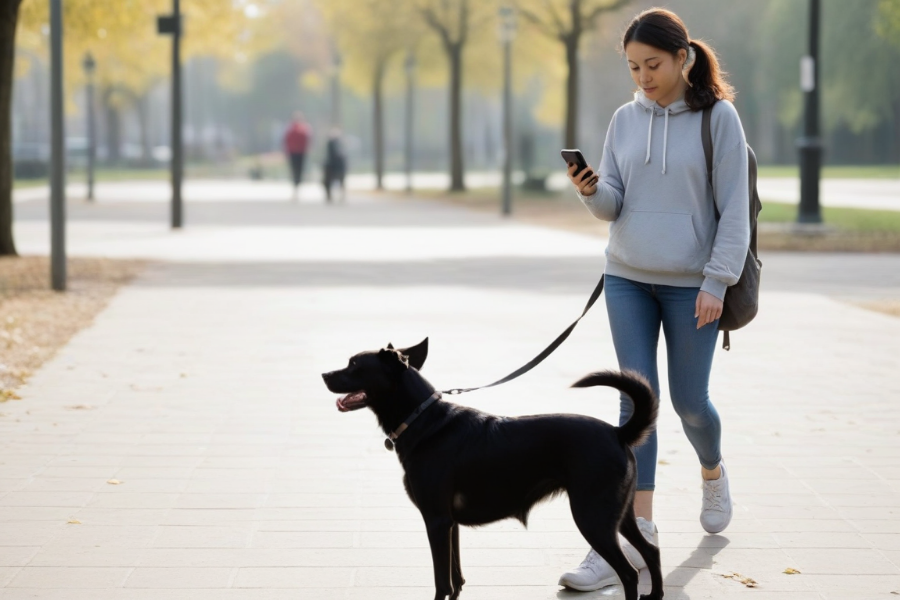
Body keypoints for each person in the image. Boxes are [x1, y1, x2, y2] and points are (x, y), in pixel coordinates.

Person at [558, 8, 750, 592]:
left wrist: (717, 280)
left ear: (682, 58)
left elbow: (735, 208)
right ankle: (636, 536)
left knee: (692, 403)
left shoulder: (718, 119)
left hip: (694, 284)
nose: (643, 76)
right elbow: (615, 204)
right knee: (634, 404)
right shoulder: (624, 119)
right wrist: (591, 192)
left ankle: (712, 472)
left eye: (653, 65)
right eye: (634, 67)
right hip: (626, 277)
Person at [283, 112, 312, 199]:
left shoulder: (290, 128)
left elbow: (286, 140)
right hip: (300, 152)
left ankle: (296, 187)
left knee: (294, 170)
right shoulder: (305, 128)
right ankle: (297, 186)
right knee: (299, 170)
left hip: (294, 152)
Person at [323, 128, 347, 203]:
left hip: (334, 165)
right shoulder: (335, 143)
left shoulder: (336, 143)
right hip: (334, 165)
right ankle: (333, 195)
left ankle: (334, 196)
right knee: (336, 181)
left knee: (332, 181)